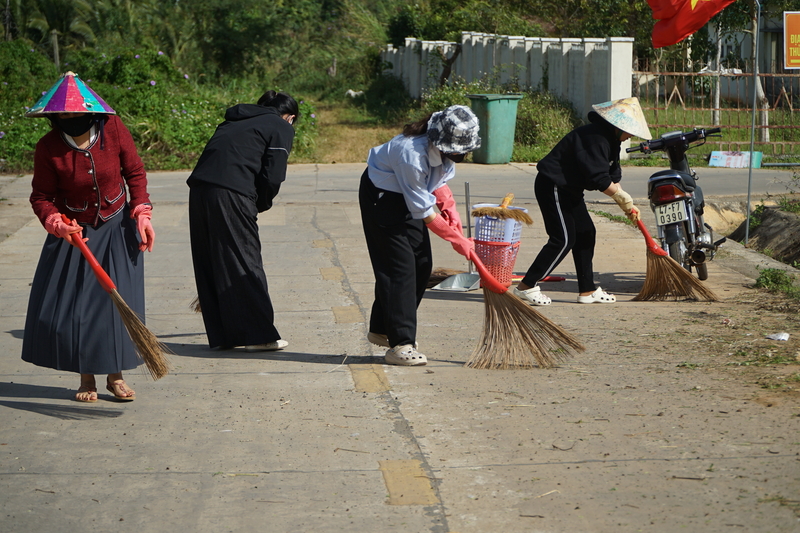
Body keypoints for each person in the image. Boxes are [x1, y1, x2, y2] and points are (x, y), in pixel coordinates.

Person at [22, 71, 155, 402]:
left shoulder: (113, 130)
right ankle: (86, 378)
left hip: (117, 227)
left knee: (116, 304)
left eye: (74, 112)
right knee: (79, 308)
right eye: (61, 114)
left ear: (91, 110)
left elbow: (135, 173)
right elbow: (41, 196)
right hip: (74, 234)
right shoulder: (48, 147)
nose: (68, 118)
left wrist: (142, 213)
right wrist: (56, 223)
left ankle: (116, 376)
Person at [360, 105, 481, 366]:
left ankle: (382, 328)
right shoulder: (411, 154)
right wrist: (457, 240)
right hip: (383, 198)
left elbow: (437, 184)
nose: (461, 154)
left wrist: (451, 210)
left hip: (408, 197)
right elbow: (425, 212)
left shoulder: (442, 150)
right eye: (457, 149)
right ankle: (400, 344)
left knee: (422, 264)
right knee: (400, 268)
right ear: (440, 140)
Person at [187, 90, 298, 352]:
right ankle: (259, 336)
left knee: (211, 261)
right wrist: (259, 204)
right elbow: (272, 176)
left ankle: (223, 336)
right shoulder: (280, 125)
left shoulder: (233, 121)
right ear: (290, 117)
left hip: (200, 191)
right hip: (231, 193)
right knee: (245, 260)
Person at [513, 97, 651, 306]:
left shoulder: (613, 141)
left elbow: (613, 177)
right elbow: (598, 179)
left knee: (586, 233)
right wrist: (621, 197)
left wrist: (626, 205)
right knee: (563, 239)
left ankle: (587, 290)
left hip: (571, 189)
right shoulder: (595, 138)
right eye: (629, 130)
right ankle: (526, 286)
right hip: (554, 186)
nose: (630, 135)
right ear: (618, 126)